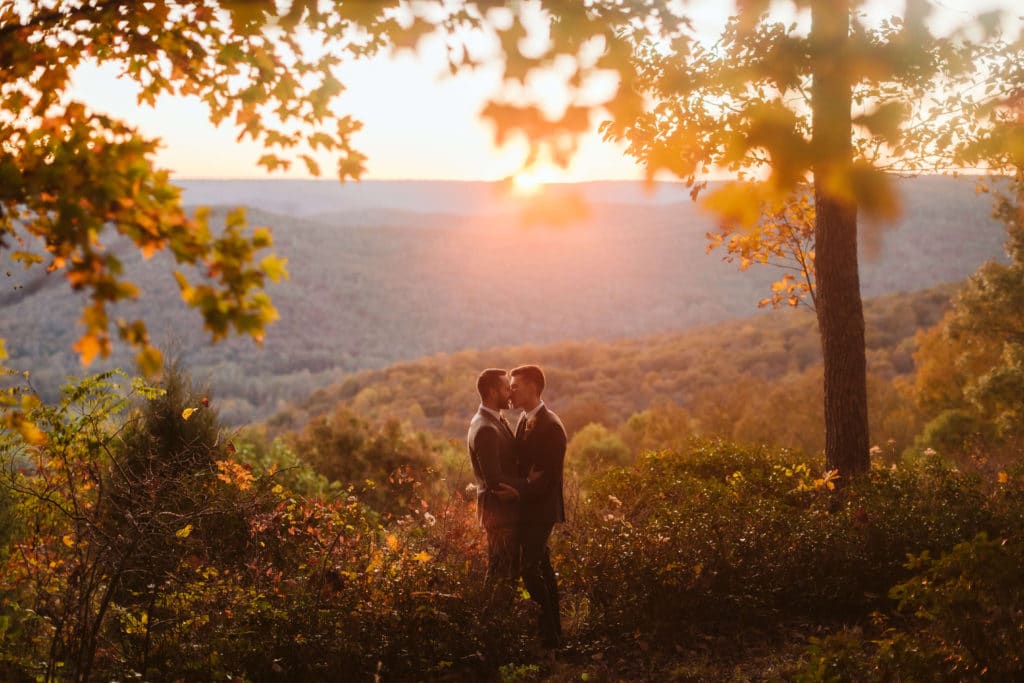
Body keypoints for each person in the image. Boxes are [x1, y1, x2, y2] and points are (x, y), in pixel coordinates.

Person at [504, 363, 566, 649]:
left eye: (515, 386)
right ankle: (555, 635)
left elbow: (545, 479)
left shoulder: (552, 426)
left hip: (542, 511)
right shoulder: (522, 420)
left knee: (529, 570)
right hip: (529, 508)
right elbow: (523, 466)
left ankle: (548, 635)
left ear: (532, 387)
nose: (510, 392)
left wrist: (520, 490)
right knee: (541, 566)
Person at [466, 368, 520, 597]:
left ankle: (495, 624)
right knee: (502, 575)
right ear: (491, 391)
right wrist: (525, 486)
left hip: (500, 514)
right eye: (506, 388)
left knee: (503, 573)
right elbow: (494, 479)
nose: (510, 393)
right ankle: (493, 625)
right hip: (499, 514)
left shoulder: (490, 419)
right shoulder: (486, 428)